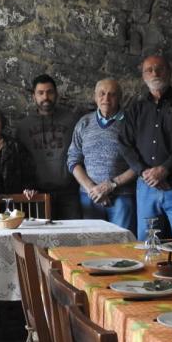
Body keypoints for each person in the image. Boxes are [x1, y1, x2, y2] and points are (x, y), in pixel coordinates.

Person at [119, 55, 172, 240]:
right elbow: (125, 143)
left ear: (170, 72)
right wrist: (145, 173)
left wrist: (165, 169)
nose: (155, 73)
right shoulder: (135, 108)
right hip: (146, 188)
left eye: (160, 68)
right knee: (147, 244)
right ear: (143, 76)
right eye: (149, 70)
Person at [67, 79, 137, 232]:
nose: (106, 99)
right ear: (95, 97)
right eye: (102, 94)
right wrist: (92, 188)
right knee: (94, 247)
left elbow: (139, 163)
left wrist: (111, 185)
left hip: (122, 197)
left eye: (112, 94)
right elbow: (73, 160)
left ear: (120, 98)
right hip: (89, 197)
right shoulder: (84, 123)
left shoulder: (132, 123)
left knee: (123, 246)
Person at [16, 74, 83, 220]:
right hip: (38, 194)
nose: (45, 96)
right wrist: (27, 186)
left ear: (56, 94)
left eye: (49, 92)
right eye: (40, 93)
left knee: (73, 237)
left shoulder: (72, 120)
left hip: (69, 192)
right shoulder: (23, 126)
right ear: (34, 96)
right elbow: (20, 161)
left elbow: (82, 152)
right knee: (42, 238)